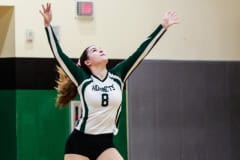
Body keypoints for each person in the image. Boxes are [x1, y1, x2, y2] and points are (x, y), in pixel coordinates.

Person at [40, 3, 178, 160]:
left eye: (100, 48)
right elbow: (59, 55)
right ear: (87, 62)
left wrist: (163, 27)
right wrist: (47, 25)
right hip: (79, 143)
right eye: (94, 50)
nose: (100, 50)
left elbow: (141, 51)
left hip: (105, 143)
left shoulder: (118, 75)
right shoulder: (82, 79)